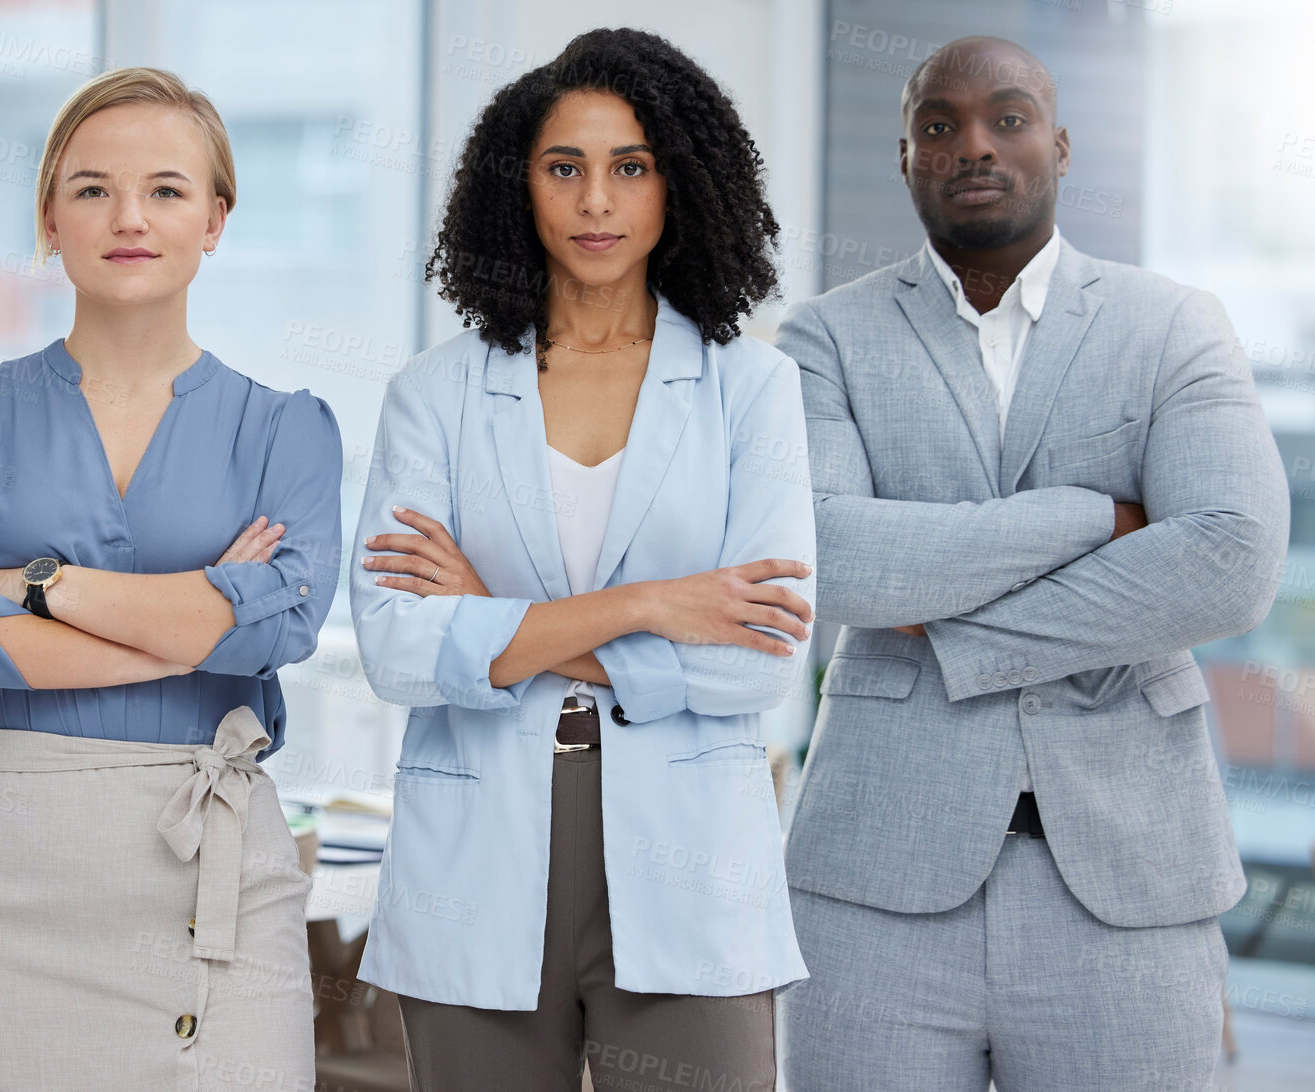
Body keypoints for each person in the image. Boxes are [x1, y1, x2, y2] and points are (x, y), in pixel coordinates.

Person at [776, 36, 1289, 1092]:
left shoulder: (1175, 327)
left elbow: (1230, 560)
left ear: (1058, 144)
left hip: (1130, 885)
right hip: (876, 885)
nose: (974, 143)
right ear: (906, 155)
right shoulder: (823, 339)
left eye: (1007, 118)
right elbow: (827, 561)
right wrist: (1093, 517)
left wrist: (952, 628)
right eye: (938, 123)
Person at [350, 28, 815, 1092]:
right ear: (520, 188)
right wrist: (651, 604)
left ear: (679, 185)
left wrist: (500, 623)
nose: (596, 201)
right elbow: (396, 649)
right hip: (478, 851)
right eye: (565, 169)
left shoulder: (754, 391)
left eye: (630, 168)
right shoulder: (435, 393)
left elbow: (758, 662)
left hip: (689, 857)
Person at [0, 66, 341, 1089]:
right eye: (92, 189)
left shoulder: (284, 430)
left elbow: (283, 628)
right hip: (9, 882)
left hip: (218, 876)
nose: (129, 216)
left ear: (215, 219)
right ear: (49, 214)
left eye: (167, 190)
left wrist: (41, 584)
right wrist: (193, 617)